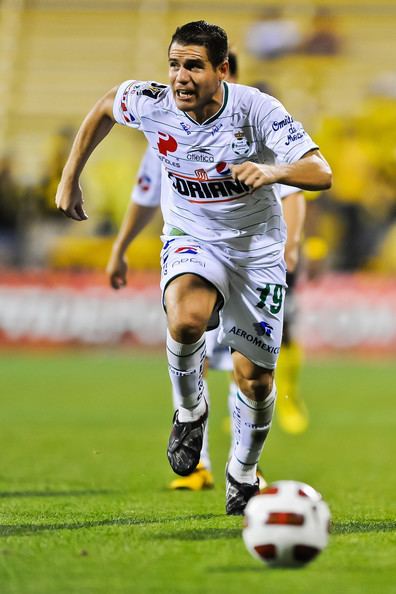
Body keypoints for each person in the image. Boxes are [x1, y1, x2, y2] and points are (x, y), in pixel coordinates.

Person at [55, 21, 332, 515]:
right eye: (174, 65)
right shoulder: (153, 102)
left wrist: (272, 171)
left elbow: (320, 172)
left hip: (256, 250)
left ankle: (242, 474)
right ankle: (190, 411)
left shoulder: (257, 110)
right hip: (191, 235)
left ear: (221, 70)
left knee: (255, 380)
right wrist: (70, 177)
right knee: (185, 318)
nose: (180, 77)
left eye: (194, 66)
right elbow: (103, 107)